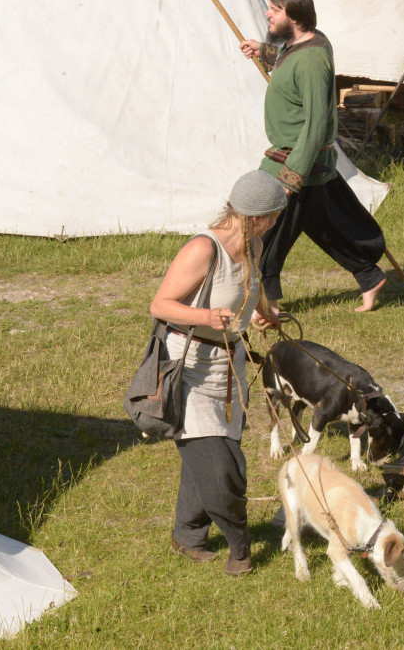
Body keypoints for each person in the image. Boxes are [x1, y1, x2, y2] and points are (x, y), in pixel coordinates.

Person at [149, 169, 285, 576]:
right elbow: (160, 305)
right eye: (275, 216)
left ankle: (187, 535)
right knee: (223, 467)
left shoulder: (254, 243)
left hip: (229, 370)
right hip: (188, 369)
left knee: (207, 456)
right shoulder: (202, 250)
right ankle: (240, 548)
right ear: (254, 216)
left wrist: (266, 313)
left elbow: (252, 287)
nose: (278, 222)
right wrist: (206, 315)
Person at [239, 0, 388, 313]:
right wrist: (264, 51)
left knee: (269, 227)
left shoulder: (311, 61)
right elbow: (289, 62)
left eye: (274, 10)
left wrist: (292, 176)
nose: (267, 13)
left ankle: (268, 301)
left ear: (292, 16)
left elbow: (318, 124)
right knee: (326, 225)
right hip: (302, 160)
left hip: (296, 160)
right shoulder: (306, 42)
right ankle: (369, 275)